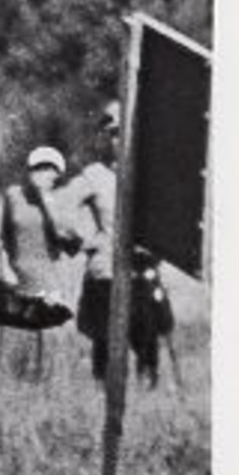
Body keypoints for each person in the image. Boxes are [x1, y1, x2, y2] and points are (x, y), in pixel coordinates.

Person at [62, 101, 172, 386]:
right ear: (104, 137)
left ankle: (148, 412)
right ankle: (104, 406)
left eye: (124, 131)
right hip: (105, 275)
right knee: (105, 347)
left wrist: (156, 248)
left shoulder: (152, 173)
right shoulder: (94, 176)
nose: (118, 139)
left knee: (147, 349)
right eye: (112, 133)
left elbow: (170, 215)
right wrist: (84, 242)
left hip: (142, 274)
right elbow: (59, 208)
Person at [0, 145, 79, 380]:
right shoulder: (13, 195)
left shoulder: (61, 201)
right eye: (36, 168)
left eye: (48, 169)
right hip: (18, 278)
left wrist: (49, 203)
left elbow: (71, 245)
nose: (41, 174)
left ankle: (49, 395)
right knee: (16, 343)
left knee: (51, 346)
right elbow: (3, 239)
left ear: (57, 174)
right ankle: (15, 390)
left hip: (51, 278)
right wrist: (5, 271)